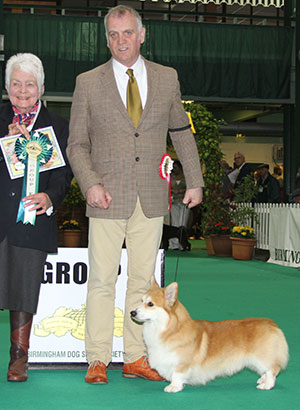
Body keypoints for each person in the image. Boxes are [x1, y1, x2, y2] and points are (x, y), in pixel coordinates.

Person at [67, 5, 204, 385]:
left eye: (127, 33)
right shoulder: (88, 82)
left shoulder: (167, 78)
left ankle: (135, 357)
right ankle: (97, 358)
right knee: (101, 281)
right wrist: (90, 183)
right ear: (105, 37)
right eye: (113, 34)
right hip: (105, 197)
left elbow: (180, 131)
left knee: (144, 284)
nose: (120, 41)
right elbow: (76, 144)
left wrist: (194, 180)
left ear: (142, 35)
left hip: (151, 196)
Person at [0, 53, 72, 382]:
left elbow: (65, 174)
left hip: (33, 219)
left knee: (24, 288)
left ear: (41, 87)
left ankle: (19, 356)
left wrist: (49, 197)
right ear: (6, 86)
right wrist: (8, 142)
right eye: (17, 83)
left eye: (30, 84)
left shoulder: (58, 125)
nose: (23, 90)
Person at [168, 160, 191, 250]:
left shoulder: (186, 177)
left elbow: (190, 188)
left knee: (183, 224)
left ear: (180, 167)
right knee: (174, 223)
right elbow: (167, 188)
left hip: (184, 202)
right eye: (173, 167)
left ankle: (183, 244)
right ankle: (174, 244)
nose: (174, 169)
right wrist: (173, 191)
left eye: (176, 167)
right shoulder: (171, 177)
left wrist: (182, 191)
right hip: (174, 202)